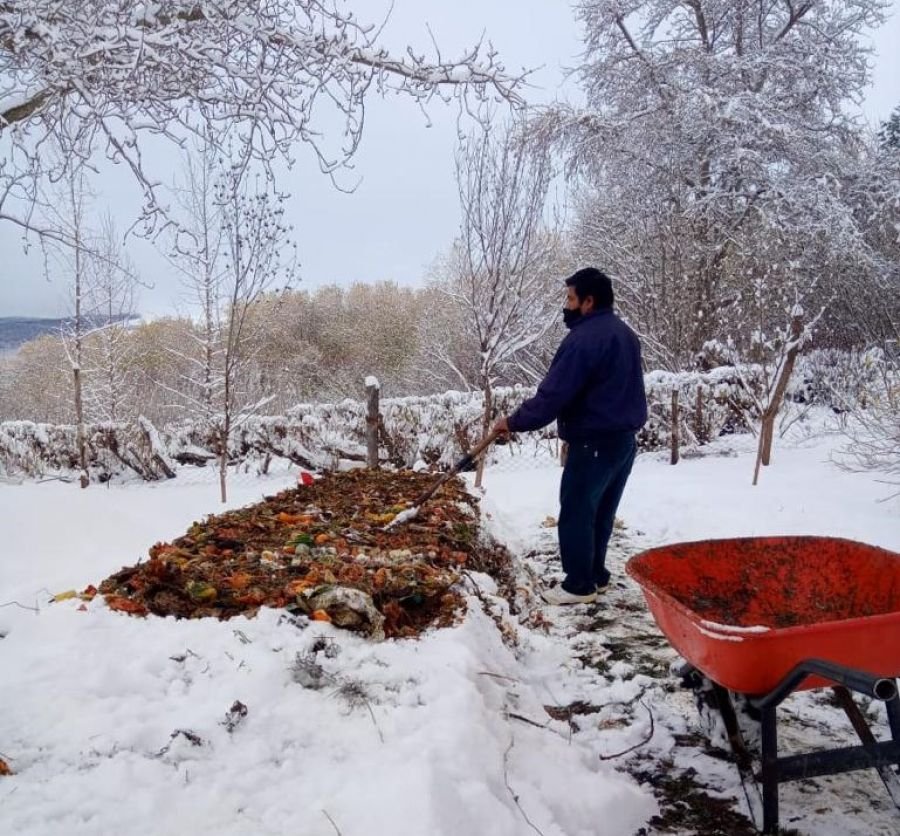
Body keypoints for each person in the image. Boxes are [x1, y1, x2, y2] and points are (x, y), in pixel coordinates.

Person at [492, 267, 647, 605]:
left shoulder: (583, 340)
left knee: (577, 511)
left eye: (570, 298)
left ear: (588, 302)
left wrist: (513, 421)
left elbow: (553, 395)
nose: (566, 305)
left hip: (593, 442)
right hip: (623, 441)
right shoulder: (625, 334)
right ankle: (596, 575)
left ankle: (578, 585)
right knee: (601, 511)